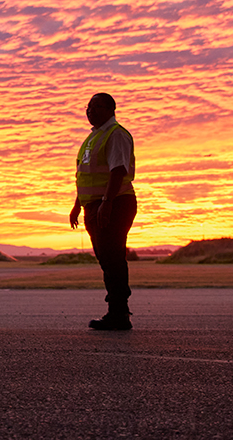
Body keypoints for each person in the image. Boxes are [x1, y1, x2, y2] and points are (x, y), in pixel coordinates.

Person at [68, 92, 137, 331]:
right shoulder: (93, 138)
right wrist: (77, 206)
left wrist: (107, 204)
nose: (90, 110)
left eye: (96, 106)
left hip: (114, 203)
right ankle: (117, 310)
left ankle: (119, 313)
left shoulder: (115, 134)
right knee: (106, 258)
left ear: (110, 109)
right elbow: (85, 175)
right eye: (88, 106)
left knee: (113, 258)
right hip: (95, 204)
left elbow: (117, 171)